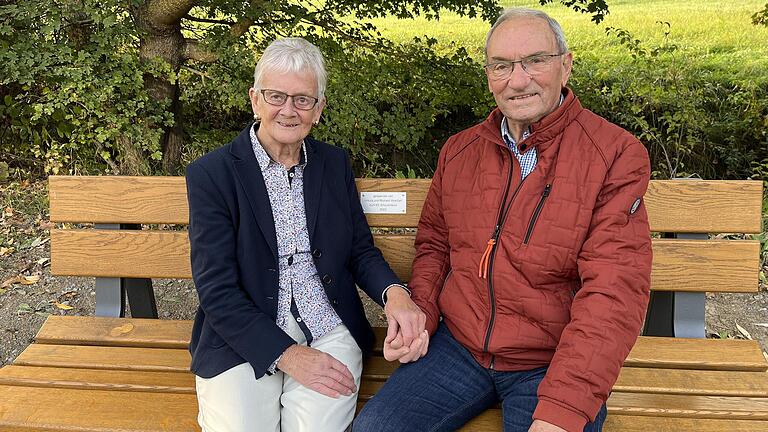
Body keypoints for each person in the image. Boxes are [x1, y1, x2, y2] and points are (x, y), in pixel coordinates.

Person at [354, 7, 652, 432]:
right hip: (459, 348)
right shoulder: (460, 151)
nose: (517, 79)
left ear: (565, 66)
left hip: (550, 361)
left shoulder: (614, 155)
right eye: (502, 65)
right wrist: (421, 314)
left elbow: (613, 292)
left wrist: (563, 409)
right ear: (489, 74)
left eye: (535, 61)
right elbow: (436, 246)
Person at [185, 37, 427, 432]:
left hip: (327, 326)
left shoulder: (332, 164)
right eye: (276, 96)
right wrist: (288, 355)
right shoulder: (212, 175)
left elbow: (359, 251)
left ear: (319, 109)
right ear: (255, 100)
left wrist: (395, 293)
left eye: (302, 99)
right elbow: (217, 291)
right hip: (241, 336)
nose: (288, 110)